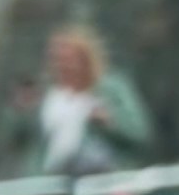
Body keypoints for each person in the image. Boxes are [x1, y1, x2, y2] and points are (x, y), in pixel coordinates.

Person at [25, 25, 152, 179]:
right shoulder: (49, 96)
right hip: (55, 185)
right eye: (57, 59)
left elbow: (139, 132)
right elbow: (25, 141)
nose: (62, 65)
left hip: (103, 183)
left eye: (68, 59)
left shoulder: (111, 88)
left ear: (85, 59)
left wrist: (109, 121)